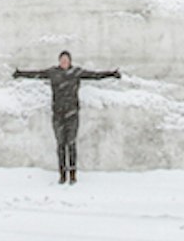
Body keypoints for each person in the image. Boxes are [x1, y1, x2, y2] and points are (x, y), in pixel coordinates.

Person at [13, 50, 121, 183]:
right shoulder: (53, 72)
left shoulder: (76, 72)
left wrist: (111, 74)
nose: (64, 62)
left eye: (66, 60)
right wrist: (20, 74)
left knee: (71, 143)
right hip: (58, 114)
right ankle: (62, 174)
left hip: (72, 114)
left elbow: (95, 75)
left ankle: (73, 174)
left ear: (70, 61)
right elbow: (37, 74)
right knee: (60, 145)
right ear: (59, 61)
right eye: (62, 60)